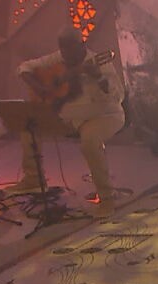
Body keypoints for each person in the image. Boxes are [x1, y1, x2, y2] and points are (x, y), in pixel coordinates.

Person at [10, 28, 126, 216]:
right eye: (63, 50)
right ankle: (33, 178)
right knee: (28, 127)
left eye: (70, 50)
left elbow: (118, 96)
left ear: (81, 46)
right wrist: (40, 88)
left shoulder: (100, 62)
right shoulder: (59, 58)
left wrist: (99, 78)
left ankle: (107, 198)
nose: (66, 55)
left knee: (89, 141)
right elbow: (24, 68)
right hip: (71, 117)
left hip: (104, 115)